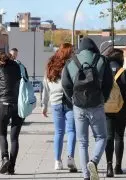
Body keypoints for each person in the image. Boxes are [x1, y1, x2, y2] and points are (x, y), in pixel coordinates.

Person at [62, 37, 113, 180]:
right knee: (102, 137)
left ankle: (86, 175)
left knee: (83, 142)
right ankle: (94, 161)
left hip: (78, 106)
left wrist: (72, 99)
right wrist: (104, 98)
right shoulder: (102, 60)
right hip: (97, 104)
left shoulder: (71, 62)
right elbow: (109, 83)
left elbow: (65, 84)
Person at [42, 43, 77, 172]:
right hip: (69, 101)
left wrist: (44, 104)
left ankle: (57, 161)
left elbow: (45, 85)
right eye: (72, 51)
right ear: (67, 52)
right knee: (72, 130)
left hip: (55, 102)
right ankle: (70, 158)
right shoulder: (71, 65)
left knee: (59, 132)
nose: (73, 53)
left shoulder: (50, 65)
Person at [104, 49, 126, 177]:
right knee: (119, 136)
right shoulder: (125, 73)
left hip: (106, 109)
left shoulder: (104, 73)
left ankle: (109, 166)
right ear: (120, 60)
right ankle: (118, 167)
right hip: (122, 109)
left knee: (109, 136)